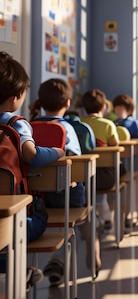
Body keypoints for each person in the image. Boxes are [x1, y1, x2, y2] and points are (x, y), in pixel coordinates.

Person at [0, 52, 65, 288]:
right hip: (16, 218)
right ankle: (18, 269)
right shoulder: (16, 124)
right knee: (36, 219)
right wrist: (58, 152)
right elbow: (32, 156)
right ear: (17, 96)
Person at [30, 78, 101, 282]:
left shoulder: (27, 126)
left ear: (41, 102)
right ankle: (90, 248)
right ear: (68, 104)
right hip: (65, 197)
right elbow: (76, 165)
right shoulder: (68, 128)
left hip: (35, 199)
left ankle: (58, 260)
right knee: (86, 208)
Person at [80, 88, 127, 230]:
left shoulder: (79, 124)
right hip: (106, 177)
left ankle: (98, 214)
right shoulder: (108, 125)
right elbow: (115, 145)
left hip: (83, 177)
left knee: (94, 181)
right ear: (103, 107)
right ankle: (105, 214)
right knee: (117, 170)